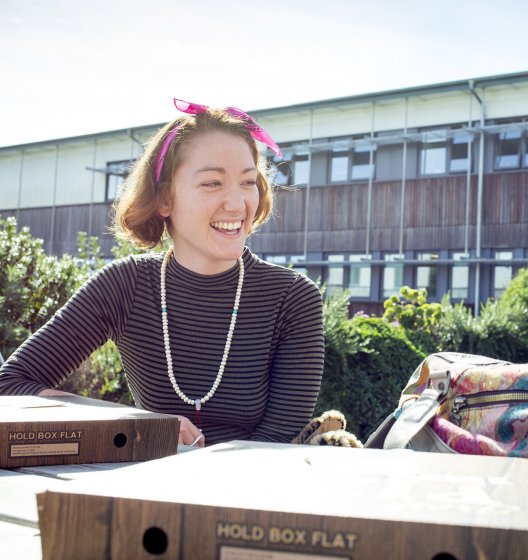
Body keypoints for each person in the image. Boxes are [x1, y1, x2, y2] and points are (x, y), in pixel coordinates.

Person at [0, 98, 325, 446]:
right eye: (212, 183)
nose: (237, 203)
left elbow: (276, 443)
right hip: (149, 487)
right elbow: (11, 384)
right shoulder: (125, 285)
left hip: (250, 492)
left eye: (248, 182)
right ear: (164, 200)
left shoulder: (294, 297)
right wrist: (137, 423)